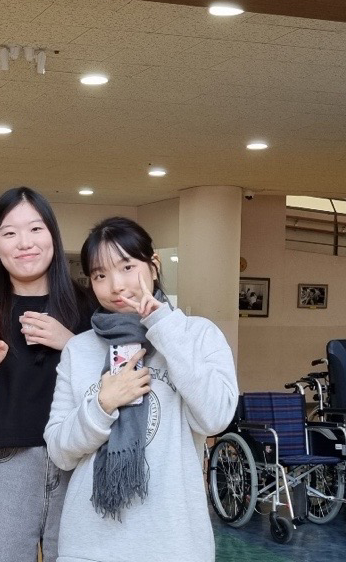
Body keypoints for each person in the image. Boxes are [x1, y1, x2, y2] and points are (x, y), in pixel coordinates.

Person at [44, 217, 238, 562]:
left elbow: (215, 418)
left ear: (154, 265)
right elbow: (59, 451)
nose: (116, 286)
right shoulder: (80, 349)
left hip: (173, 545)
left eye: (127, 267)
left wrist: (163, 328)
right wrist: (101, 405)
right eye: (100, 275)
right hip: (88, 545)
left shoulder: (196, 334)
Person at [0, 187, 93, 562]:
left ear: (53, 236)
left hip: (81, 464)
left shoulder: (88, 308)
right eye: (10, 233)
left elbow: (116, 385)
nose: (25, 243)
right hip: (7, 467)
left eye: (36, 229)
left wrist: (71, 343)